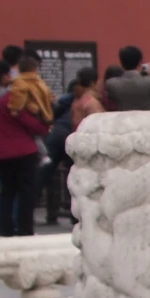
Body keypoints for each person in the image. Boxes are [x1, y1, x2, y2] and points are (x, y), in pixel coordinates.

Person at [0, 57, 49, 237]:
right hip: (23, 149)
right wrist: (43, 127)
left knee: (6, 193)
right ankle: (25, 229)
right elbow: (26, 121)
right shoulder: (12, 98)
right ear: (4, 77)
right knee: (26, 193)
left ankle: (5, 229)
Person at [44, 71, 102, 223]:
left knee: (61, 177)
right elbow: (95, 126)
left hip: (71, 139)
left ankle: (62, 214)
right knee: (79, 181)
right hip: (84, 143)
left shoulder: (76, 102)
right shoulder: (90, 102)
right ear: (92, 83)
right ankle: (77, 215)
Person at [103, 44, 150, 112]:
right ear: (140, 61)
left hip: (124, 120)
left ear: (121, 62)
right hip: (147, 119)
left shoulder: (111, 84)